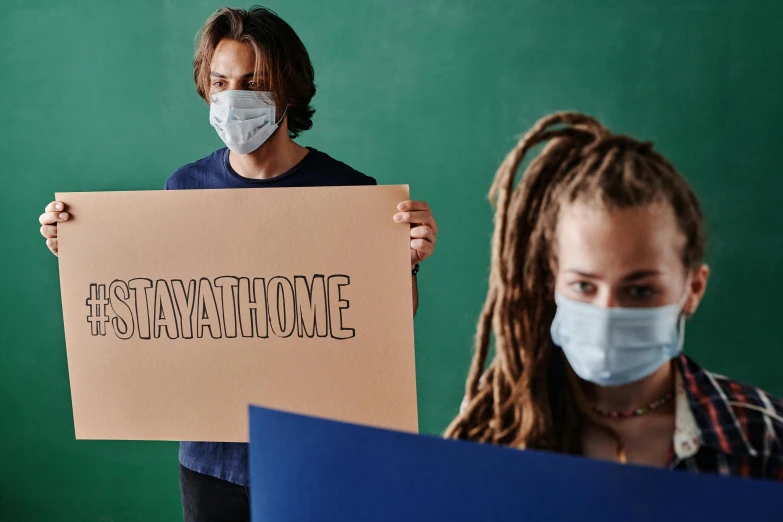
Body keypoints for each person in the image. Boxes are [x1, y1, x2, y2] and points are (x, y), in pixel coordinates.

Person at [38, 7, 438, 521]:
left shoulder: (351, 196)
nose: (234, 98)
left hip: (318, 453)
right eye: (221, 81)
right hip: (210, 461)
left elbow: (383, 331)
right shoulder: (183, 189)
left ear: (289, 89)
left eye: (254, 82)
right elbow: (157, 309)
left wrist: (403, 263)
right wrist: (80, 249)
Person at [446, 111, 783, 479]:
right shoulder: (495, 422)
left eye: (639, 290)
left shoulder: (763, 438)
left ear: (693, 289)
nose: (607, 311)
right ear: (553, 278)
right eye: (584, 286)